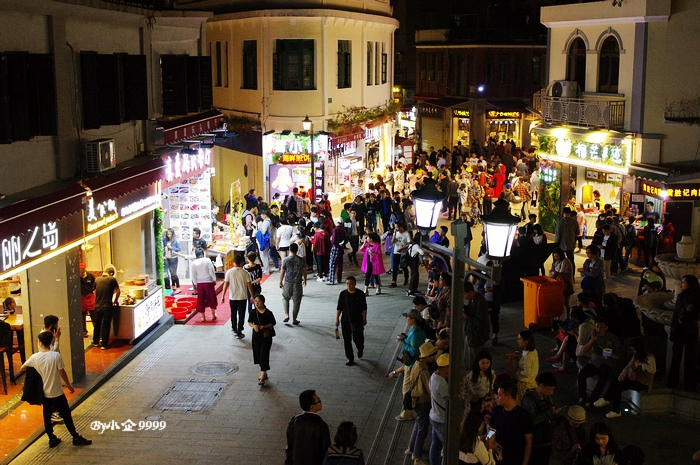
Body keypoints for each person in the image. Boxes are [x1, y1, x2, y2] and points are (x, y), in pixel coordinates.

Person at [21, 331, 92, 448]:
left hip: (44, 392)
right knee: (66, 415)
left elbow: (23, 367)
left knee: (47, 416)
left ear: (40, 342)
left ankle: (52, 438)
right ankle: (75, 437)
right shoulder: (55, 356)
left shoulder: (35, 357)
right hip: (57, 392)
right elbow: (62, 372)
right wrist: (69, 385)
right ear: (51, 342)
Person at [594, 338, 656, 418]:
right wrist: (622, 374)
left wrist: (641, 364)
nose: (633, 351)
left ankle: (611, 404)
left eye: (634, 349)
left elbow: (653, 370)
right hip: (635, 378)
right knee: (617, 380)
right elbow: (629, 365)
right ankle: (608, 401)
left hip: (644, 382)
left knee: (619, 385)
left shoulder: (649, 357)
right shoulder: (636, 355)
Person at [391, 308, 428, 421]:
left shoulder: (415, 333)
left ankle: (407, 412)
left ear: (412, 320)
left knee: (407, 389)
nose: (406, 319)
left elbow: (413, 350)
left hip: (412, 364)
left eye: (407, 317)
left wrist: (403, 343)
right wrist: (406, 339)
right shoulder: (417, 330)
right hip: (414, 363)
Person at [577, 318, 621, 409]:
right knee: (582, 374)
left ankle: (591, 400)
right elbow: (583, 351)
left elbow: (619, 356)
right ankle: (582, 396)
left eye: (601, 327)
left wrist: (611, 355)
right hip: (594, 362)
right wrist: (592, 340)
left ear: (606, 328)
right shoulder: (592, 335)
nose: (598, 329)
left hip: (608, 363)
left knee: (603, 379)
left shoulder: (613, 338)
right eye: (597, 327)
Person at [407, 342, 438, 465]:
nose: (433, 358)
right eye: (432, 356)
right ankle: (417, 456)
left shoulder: (416, 365)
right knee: (422, 430)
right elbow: (430, 389)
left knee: (418, 426)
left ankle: (411, 448)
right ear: (427, 356)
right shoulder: (424, 372)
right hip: (423, 402)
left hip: (416, 400)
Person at [488, 381, 533, 465]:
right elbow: (491, 429)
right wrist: (491, 441)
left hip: (515, 458)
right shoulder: (496, 410)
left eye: (499, 395)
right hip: (498, 456)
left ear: (508, 397)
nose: (497, 397)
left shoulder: (524, 416)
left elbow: (528, 442)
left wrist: (525, 462)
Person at [521, 372, 562, 465]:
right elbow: (531, 421)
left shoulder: (546, 396)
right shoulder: (529, 399)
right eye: (549, 389)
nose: (551, 392)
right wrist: (550, 413)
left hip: (546, 440)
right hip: (535, 442)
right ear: (541, 386)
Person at [668, 274, 700, 390]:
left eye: (683, 283)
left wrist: (674, 328)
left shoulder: (682, 297)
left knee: (677, 356)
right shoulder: (698, 296)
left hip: (682, 329)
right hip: (692, 328)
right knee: (690, 356)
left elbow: (677, 315)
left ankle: (673, 382)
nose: (681, 284)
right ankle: (690, 383)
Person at [285, 389, 331, 465]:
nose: (321, 402)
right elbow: (325, 450)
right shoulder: (321, 425)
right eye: (319, 401)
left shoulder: (294, 421)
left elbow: (290, 446)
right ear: (312, 407)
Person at [335, 276, 367, 366]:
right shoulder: (343, 294)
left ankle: (360, 348)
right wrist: (337, 318)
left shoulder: (360, 294)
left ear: (355, 284)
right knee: (347, 340)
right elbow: (339, 308)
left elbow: (364, 308)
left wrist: (364, 318)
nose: (349, 286)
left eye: (351, 284)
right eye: (347, 284)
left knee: (358, 338)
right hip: (345, 320)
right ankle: (350, 358)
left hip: (357, 320)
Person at [221, 254, 254, 338]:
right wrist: (252, 296)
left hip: (233, 297)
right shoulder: (246, 273)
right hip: (243, 297)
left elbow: (226, 284)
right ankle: (239, 331)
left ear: (233, 262)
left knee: (233, 314)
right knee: (241, 314)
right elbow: (249, 286)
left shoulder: (229, 272)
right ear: (242, 262)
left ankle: (234, 329)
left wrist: (223, 296)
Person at [248, 294, 276, 385]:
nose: (257, 303)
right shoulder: (253, 312)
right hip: (256, 336)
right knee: (258, 354)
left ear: (263, 302)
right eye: (255, 301)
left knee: (264, 354)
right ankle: (264, 372)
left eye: (259, 301)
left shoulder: (268, 313)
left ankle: (262, 378)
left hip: (266, 336)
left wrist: (264, 326)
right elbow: (249, 322)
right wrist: (254, 326)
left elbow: (273, 323)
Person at [428, 353, 450, 465]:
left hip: (434, 415)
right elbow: (448, 399)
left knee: (435, 445)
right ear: (444, 368)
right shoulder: (441, 383)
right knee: (447, 448)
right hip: (441, 419)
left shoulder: (433, 376)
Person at [464, 281, 491, 371]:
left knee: (474, 358)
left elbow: (479, 322)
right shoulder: (473, 300)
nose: (464, 297)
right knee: (469, 356)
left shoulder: (480, 302)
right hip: (472, 333)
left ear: (471, 292)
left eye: (465, 294)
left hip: (477, 336)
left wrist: (467, 316)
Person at [92, 264, 120, 350]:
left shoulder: (97, 279)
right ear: (111, 273)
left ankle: (95, 341)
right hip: (107, 305)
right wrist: (115, 300)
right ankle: (104, 343)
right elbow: (118, 291)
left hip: (97, 305)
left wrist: (97, 300)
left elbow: (94, 292)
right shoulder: (112, 279)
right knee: (106, 324)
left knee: (97, 324)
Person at [461, 349, 496, 417]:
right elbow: (463, 389)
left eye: (487, 363)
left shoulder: (492, 374)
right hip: (473, 404)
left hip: (486, 404)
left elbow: (492, 390)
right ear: (478, 362)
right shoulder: (470, 375)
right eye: (482, 363)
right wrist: (470, 397)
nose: (485, 366)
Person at [279, 243, 307, 325]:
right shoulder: (301, 260)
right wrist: (305, 279)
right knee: (297, 301)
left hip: (288, 282)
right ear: (297, 250)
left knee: (285, 298)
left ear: (289, 250)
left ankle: (286, 314)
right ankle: (294, 319)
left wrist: (280, 281)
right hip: (297, 283)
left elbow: (282, 272)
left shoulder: (286, 260)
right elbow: (304, 270)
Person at [190, 248, 217, 322]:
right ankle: (213, 315)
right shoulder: (207, 260)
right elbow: (212, 271)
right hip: (208, 282)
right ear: (203, 253)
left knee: (201, 300)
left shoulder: (194, 263)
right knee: (211, 298)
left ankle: (203, 317)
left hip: (200, 283)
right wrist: (214, 279)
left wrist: (196, 284)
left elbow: (193, 275)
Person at [549, 248, 574, 319]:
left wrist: (559, 274)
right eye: (555, 256)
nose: (556, 258)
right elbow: (551, 270)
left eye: (557, 256)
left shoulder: (566, 262)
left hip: (566, 285)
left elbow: (568, 274)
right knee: (559, 302)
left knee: (565, 302)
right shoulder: (555, 262)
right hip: (558, 285)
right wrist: (553, 274)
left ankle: (568, 316)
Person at [515, 330, 539, 402]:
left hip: (525, 385)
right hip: (532, 383)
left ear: (526, 341)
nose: (517, 341)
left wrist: (518, 369)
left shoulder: (527, 356)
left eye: (520, 339)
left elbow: (527, 373)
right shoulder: (533, 351)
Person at [390, 222, 411, 287]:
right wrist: (394, 234)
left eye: (397, 227)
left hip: (403, 253)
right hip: (396, 252)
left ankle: (406, 279)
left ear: (400, 227)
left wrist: (402, 248)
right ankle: (394, 281)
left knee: (404, 266)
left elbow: (409, 243)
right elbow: (392, 241)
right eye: (395, 227)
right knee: (395, 267)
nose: (396, 228)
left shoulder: (406, 234)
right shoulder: (396, 233)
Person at [79, 263, 96, 338]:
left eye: (82, 271)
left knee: (94, 315)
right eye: (79, 271)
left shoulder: (90, 276)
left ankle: (97, 330)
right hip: (81, 298)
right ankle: (84, 331)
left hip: (90, 297)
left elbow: (95, 286)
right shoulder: (76, 277)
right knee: (82, 317)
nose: (81, 273)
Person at [163, 228, 182, 293]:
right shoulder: (165, 240)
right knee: (168, 273)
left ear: (173, 234)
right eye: (168, 234)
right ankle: (173, 285)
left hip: (174, 258)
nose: (169, 235)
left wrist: (172, 248)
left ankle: (178, 286)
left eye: (170, 234)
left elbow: (179, 248)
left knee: (174, 273)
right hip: (167, 258)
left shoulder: (176, 240)